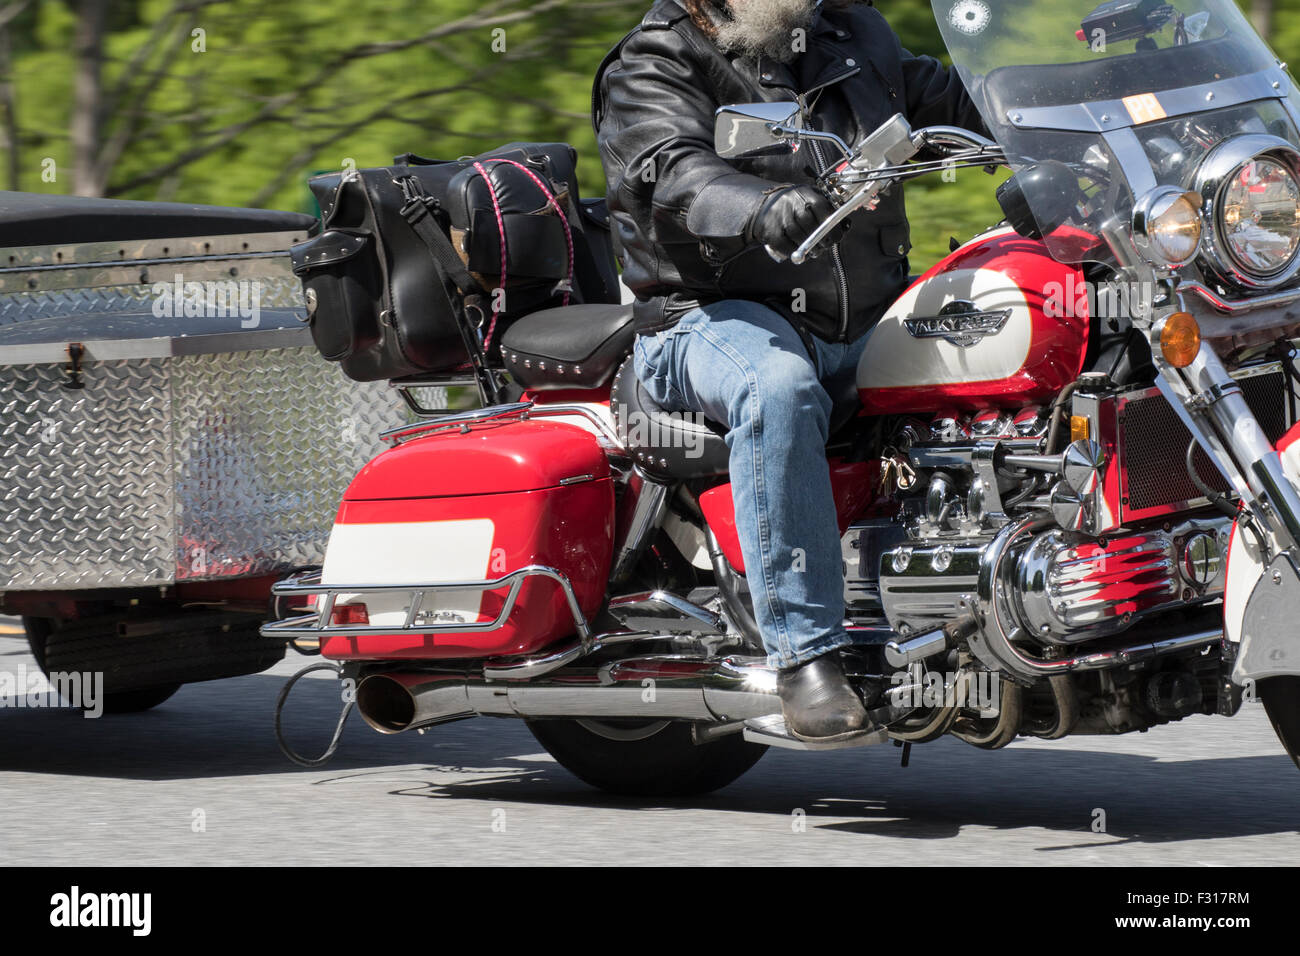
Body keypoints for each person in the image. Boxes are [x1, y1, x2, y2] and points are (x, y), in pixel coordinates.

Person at [593, 0, 987, 741]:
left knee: (1002, 327)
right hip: (706, 318)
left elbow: (957, 97)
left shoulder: (853, 34)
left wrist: (1080, 83)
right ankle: (806, 658)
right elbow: (676, 174)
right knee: (777, 386)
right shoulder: (653, 61)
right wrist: (760, 204)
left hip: (859, 316)